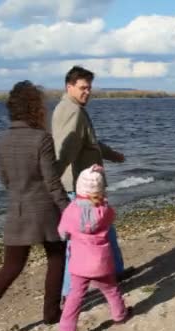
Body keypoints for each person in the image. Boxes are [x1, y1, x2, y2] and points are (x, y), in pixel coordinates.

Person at [0, 81, 70, 331]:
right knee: (56, 257)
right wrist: (69, 209)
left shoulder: (2, 140)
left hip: (16, 209)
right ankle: (51, 313)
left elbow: (5, 180)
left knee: (9, 268)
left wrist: (22, 194)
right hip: (44, 211)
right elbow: (52, 182)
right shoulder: (41, 138)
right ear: (35, 107)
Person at [52, 66, 135, 299]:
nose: (87, 92)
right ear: (69, 87)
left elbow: (91, 143)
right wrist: (52, 178)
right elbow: (65, 150)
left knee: (106, 231)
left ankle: (116, 272)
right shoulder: (72, 112)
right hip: (80, 187)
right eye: (82, 88)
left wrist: (112, 155)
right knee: (79, 240)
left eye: (89, 88)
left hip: (86, 185)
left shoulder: (72, 108)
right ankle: (69, 291)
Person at [57, 165, 132, 331]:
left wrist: (71, 233)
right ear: (101, 189)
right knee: (111, 290)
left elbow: (62, 233)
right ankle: (120, 315)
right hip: (101, 262)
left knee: (75, 297)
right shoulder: (105, 210)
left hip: (79, 263)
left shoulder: (71, 210)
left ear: (79, 188)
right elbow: (110, 218)